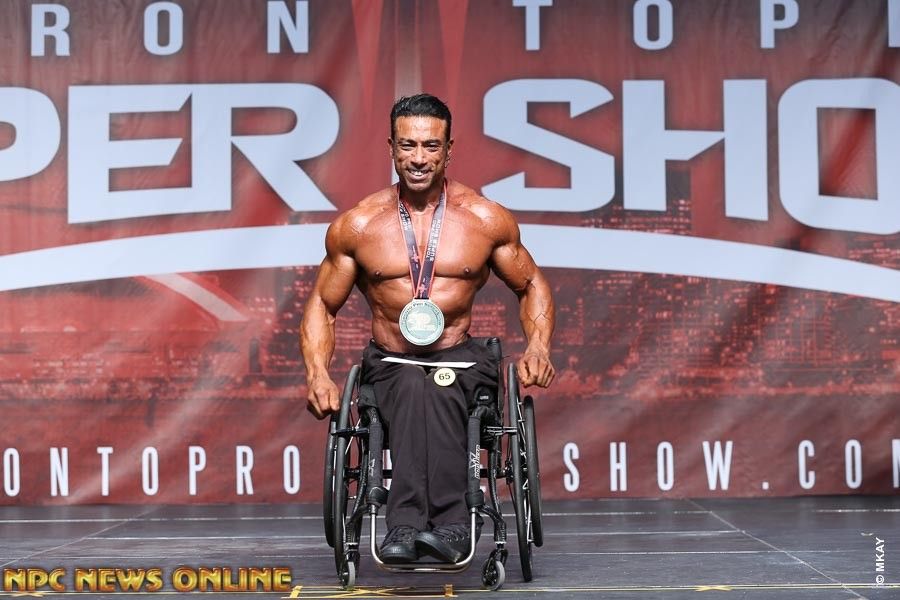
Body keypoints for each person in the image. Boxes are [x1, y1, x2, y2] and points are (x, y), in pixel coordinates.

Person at [301, 93, 555, 564]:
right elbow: (322, 303)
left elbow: (531, 283)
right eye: (408, 145)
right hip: (391, 361)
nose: (419, 158)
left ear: (449, 150)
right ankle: (406, 525)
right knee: (413, 384)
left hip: (460, 359)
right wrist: (318, 374)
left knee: (436, 383)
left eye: (431, 146)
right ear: (391, 148)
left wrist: (538, 346)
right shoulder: (358, 225)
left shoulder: (484, 219)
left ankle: (451, 525)